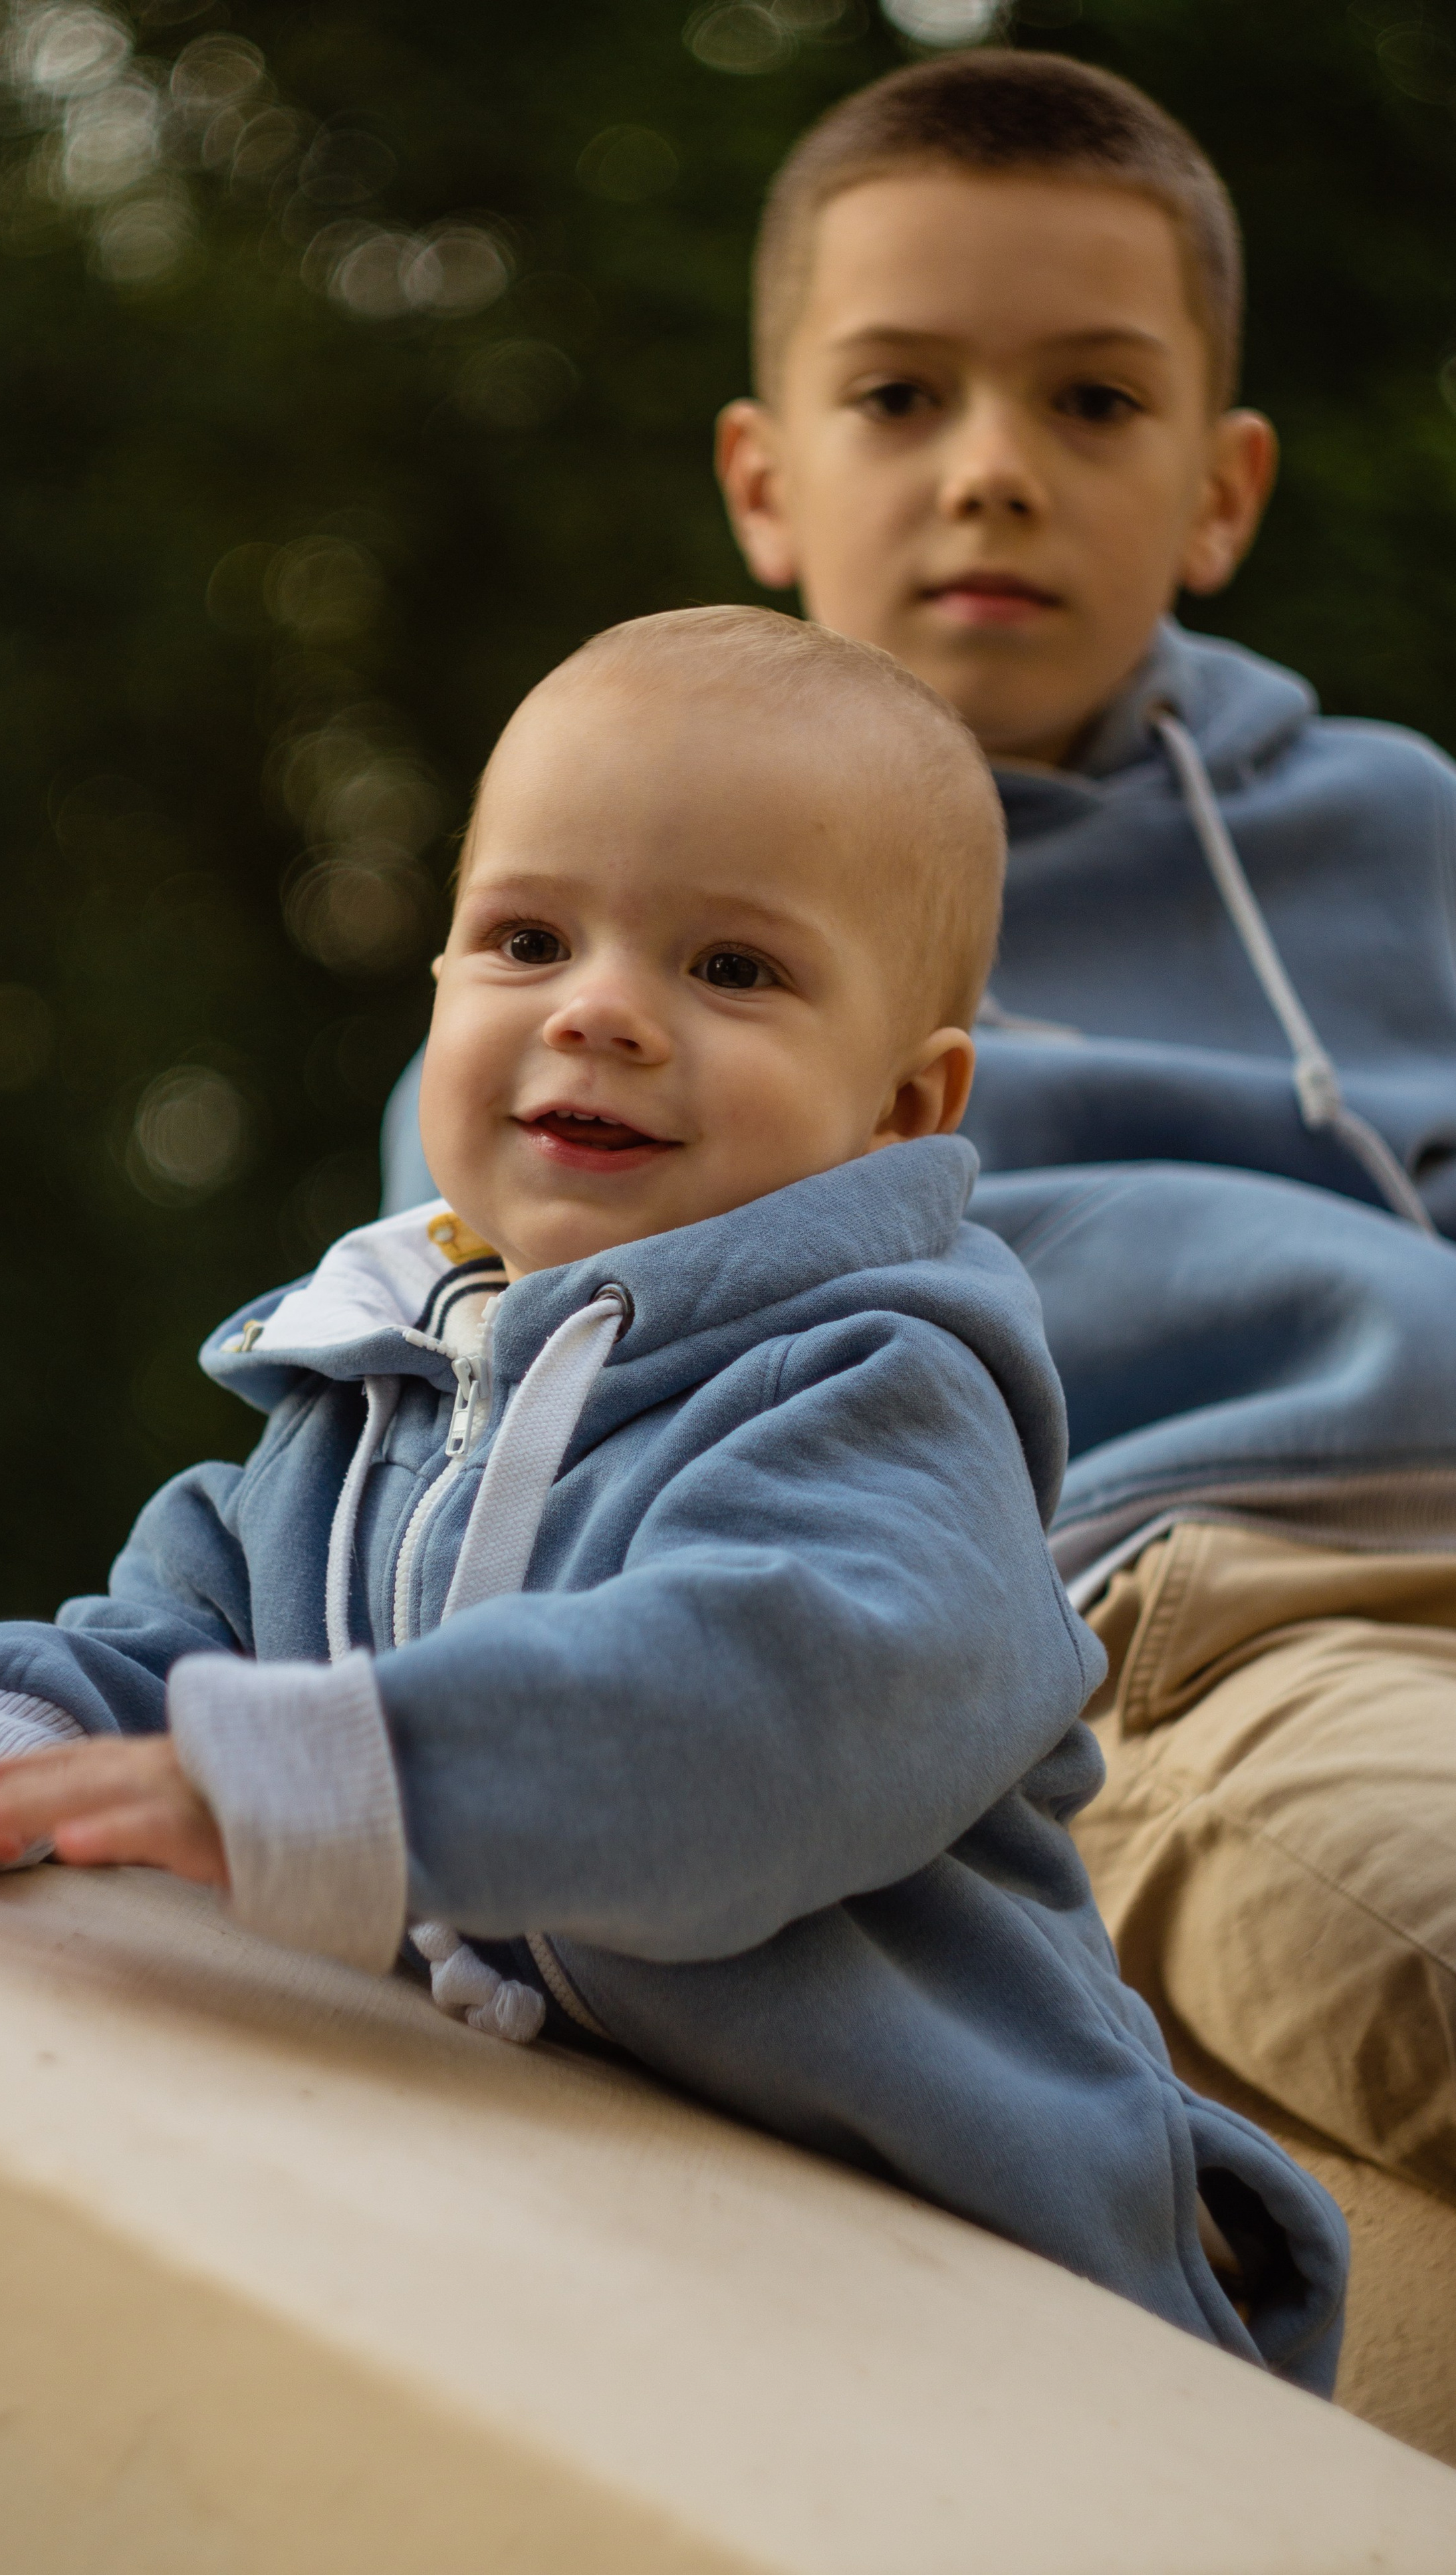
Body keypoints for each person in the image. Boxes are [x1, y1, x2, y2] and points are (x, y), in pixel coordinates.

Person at [0, 608, 1347, 2386]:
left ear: (903, 1108)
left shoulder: (880, 1397)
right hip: (603, 2226)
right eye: (526, 938)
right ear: (434, 987)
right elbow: (173, 1637)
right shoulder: (369, 1390)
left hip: (978, 2258)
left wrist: (333, 1781)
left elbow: (765, 1705)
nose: (600, 1008)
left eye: (732, 970)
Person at [369, 53, 1456, 2211]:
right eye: (898, 399)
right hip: (1164, 1619)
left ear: (1224, 491)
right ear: (762, 481)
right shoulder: (610, 987)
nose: (991, 476)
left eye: (1092, 402)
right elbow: (496, 1442)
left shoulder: (1397, 839)